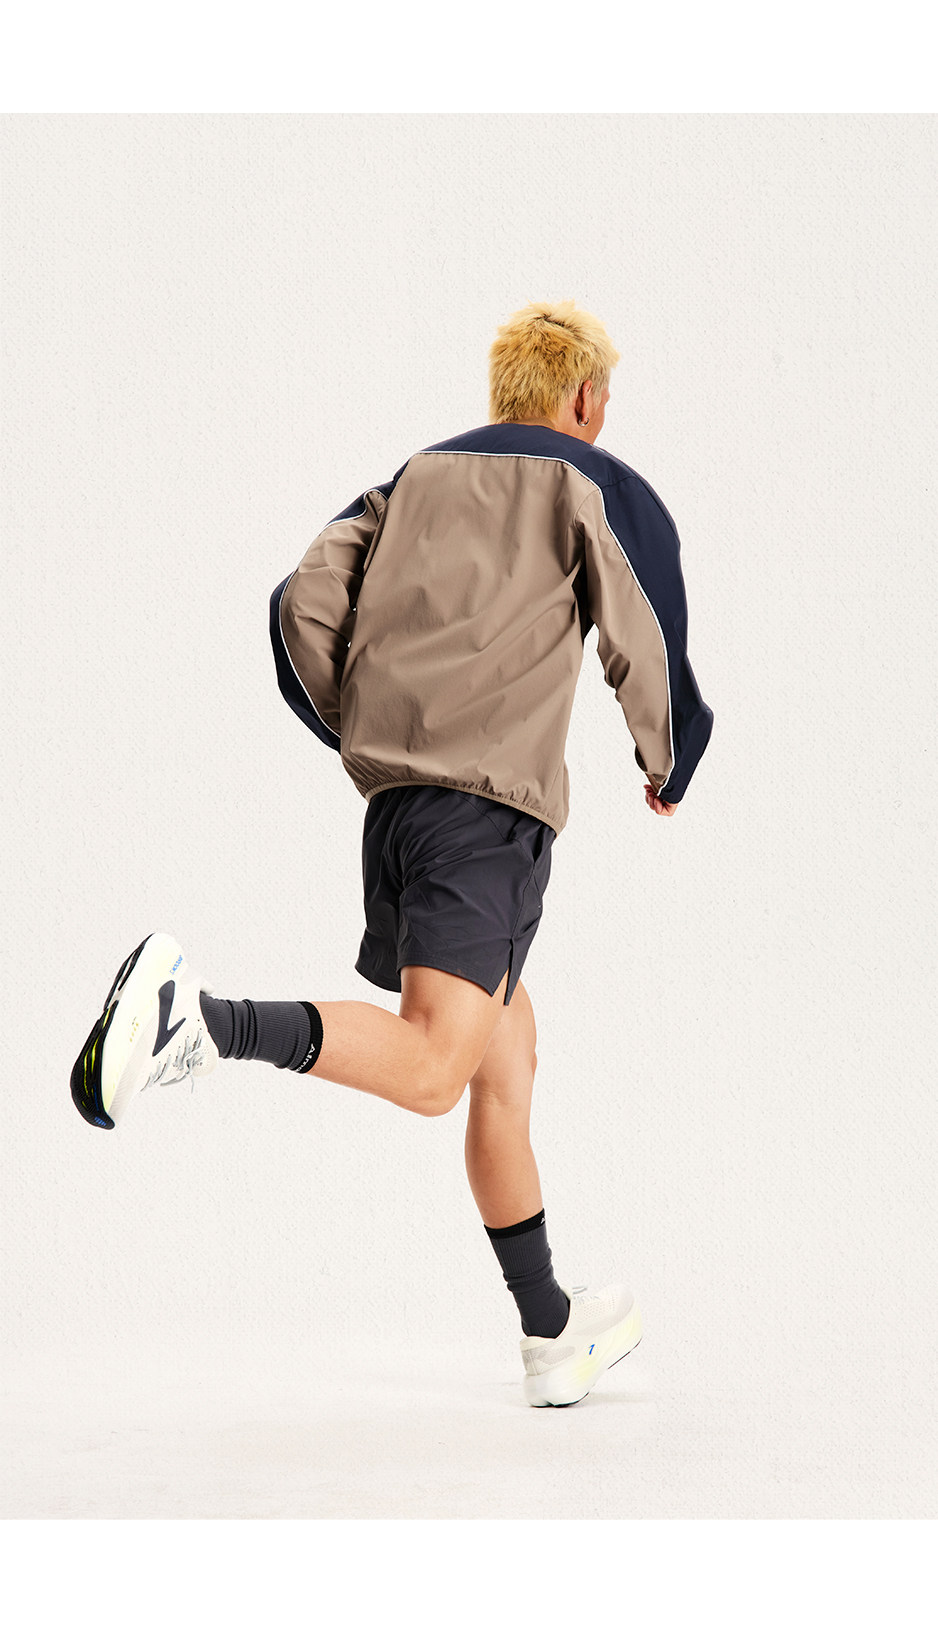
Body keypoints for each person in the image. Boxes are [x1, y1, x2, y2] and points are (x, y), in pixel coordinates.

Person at [71, 299, 713, 1408]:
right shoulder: (587, 478)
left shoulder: (411, 478)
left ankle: (551, 1331)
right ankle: (197, 1021)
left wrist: (371, 727)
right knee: (432, 1068)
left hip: (403, 810)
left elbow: (300, 604)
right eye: (602, 398)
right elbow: (642, 622)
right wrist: (670, 758)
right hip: (485, 816)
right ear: (583, 398)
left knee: (506, 1056)